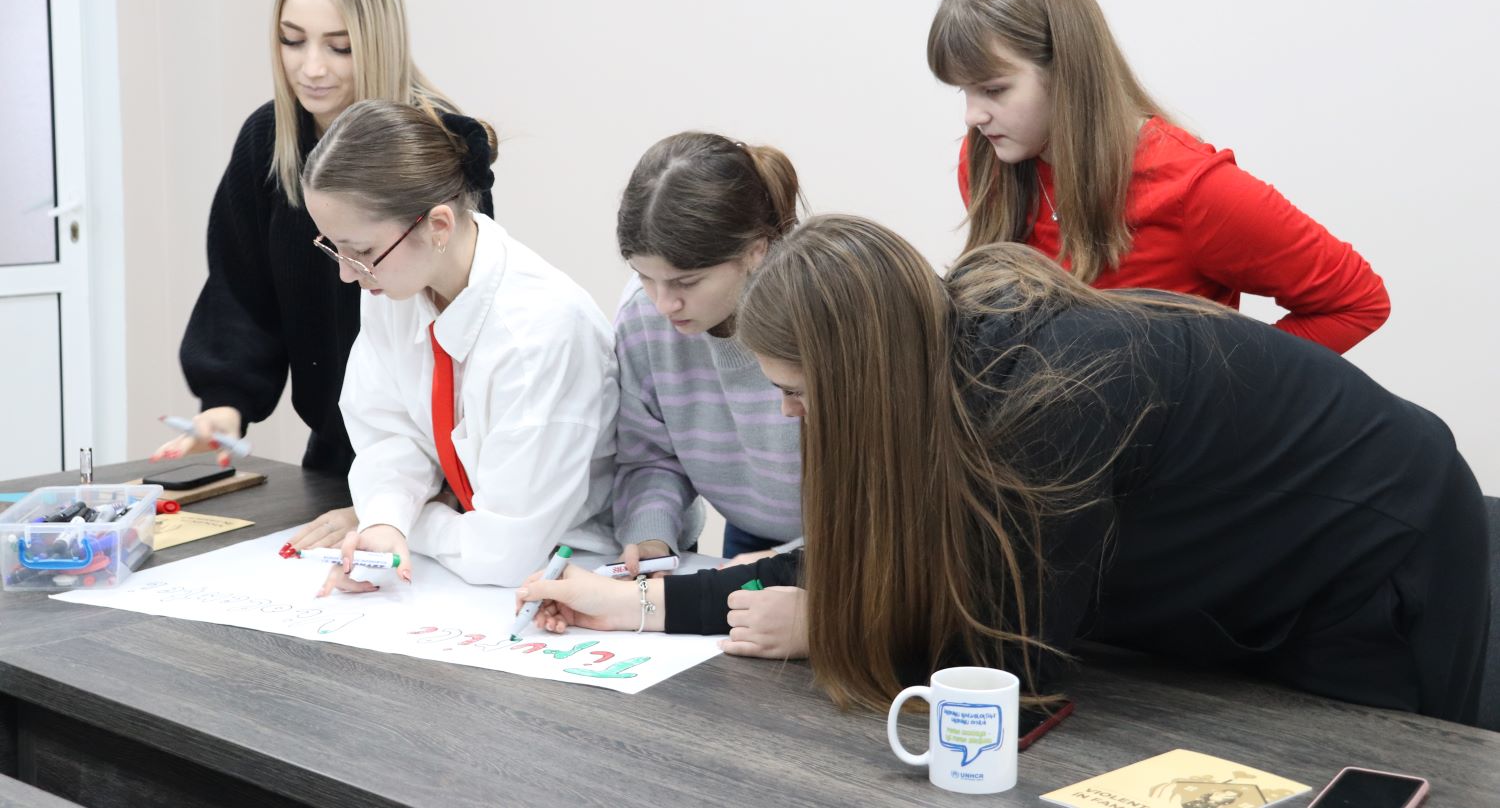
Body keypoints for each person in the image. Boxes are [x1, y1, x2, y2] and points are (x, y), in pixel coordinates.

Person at [517, 215, 1488, 725]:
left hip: (1378, 555)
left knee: (1352, 765)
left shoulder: (1047, 404)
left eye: (798, 392)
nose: (787, 414)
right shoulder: (943, 352)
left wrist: (829, 629)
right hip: (1252, 583)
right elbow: (867, 553)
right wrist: (635, 603)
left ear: (860, 376)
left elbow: (1014, 665)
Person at [153, 0, 490, 553]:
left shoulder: (437, 147)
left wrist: (394, 505)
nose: (311, 68)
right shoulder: (268, 141)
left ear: (379, 40)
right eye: (292, 40)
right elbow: (239, 290)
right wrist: (226, 404)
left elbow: (466, 344)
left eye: (339, 46)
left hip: (434, 477)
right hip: (334, 460)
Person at [929, 0, 1388, 354]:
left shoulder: (1195, 192)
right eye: (964, 92)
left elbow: (1357, 301)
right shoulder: (986, 165)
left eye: (994, 89)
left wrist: (1223, 393)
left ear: (1066, 71)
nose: (973, 116)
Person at [299, 100, 615, 591]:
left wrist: (411, 518)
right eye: (333, 247)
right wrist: (386, 520)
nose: (345, 273)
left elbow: (505, 553)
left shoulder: (540, 332)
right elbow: (390, 432)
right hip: (461, 566)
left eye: (360, 251)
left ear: (439, 227)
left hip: (576, 572)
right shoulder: (395, 285)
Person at [612, 132, 805, 572]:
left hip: (853, 540)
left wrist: (785, 563)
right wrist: (650, 534)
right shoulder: (643, 317)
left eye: (686, 282)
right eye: (645, 277)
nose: (664, 304)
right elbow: (650, 454)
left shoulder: (821, 318)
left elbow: (883, 494)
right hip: (748, 532)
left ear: (755, 250)